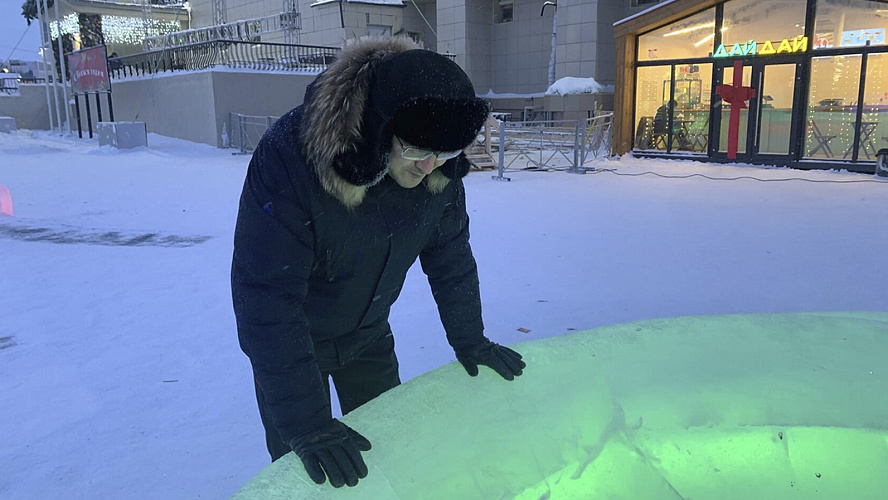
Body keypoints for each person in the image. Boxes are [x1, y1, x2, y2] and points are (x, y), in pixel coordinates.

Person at [230, 37, 526, 489]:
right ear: (381, 127)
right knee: (304, 467)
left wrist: (471, 339)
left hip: (368, 334)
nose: (429, 167)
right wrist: (306, 424)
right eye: (415, 150)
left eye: (444, 154)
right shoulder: (291, 158)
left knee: (387, 445)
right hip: (293, 341)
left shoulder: (438, 162)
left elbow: (450, 257)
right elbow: (266, 297)